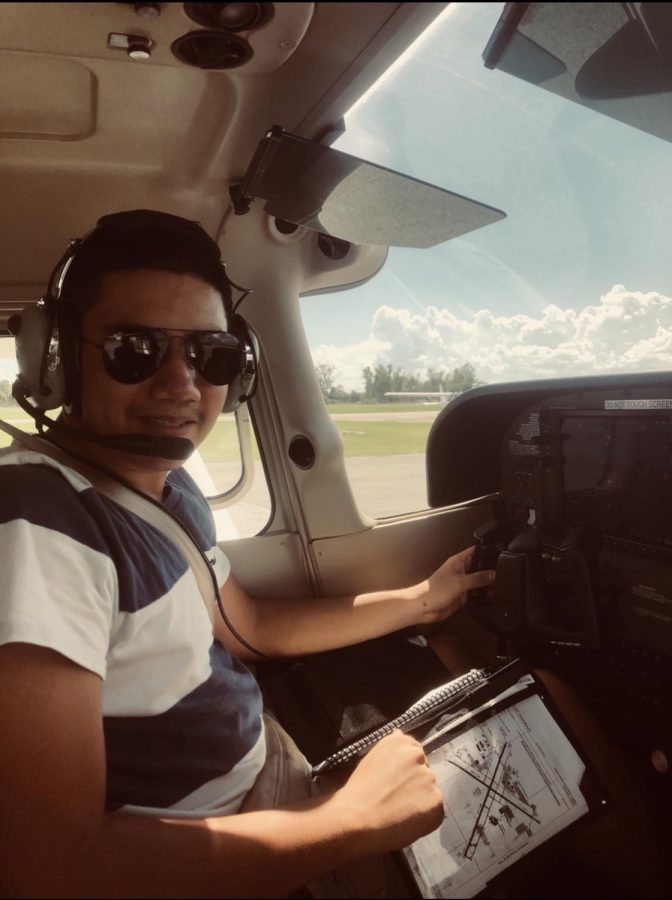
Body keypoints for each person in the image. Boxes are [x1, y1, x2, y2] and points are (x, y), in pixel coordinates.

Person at [0, 210, 497, 898]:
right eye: (133, 349)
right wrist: (349, 819)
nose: (181, 384)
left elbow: (252, 627)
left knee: (501, 696)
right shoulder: (37, 524)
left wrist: (420, 599)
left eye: (211, 355)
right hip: (205, 841)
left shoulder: (168, 493)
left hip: (262, 764)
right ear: (60, 358)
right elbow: (52, 867)